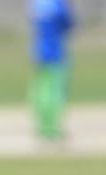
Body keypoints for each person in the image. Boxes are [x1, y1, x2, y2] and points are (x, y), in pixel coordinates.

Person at [29, 0, 75, 140]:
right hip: (55, 53)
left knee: (41, 91)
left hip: (39, 52)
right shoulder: (58, 4)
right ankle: (52, 128)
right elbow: (69, 24)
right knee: (54, 92)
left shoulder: (38, 3)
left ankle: (42, 126)